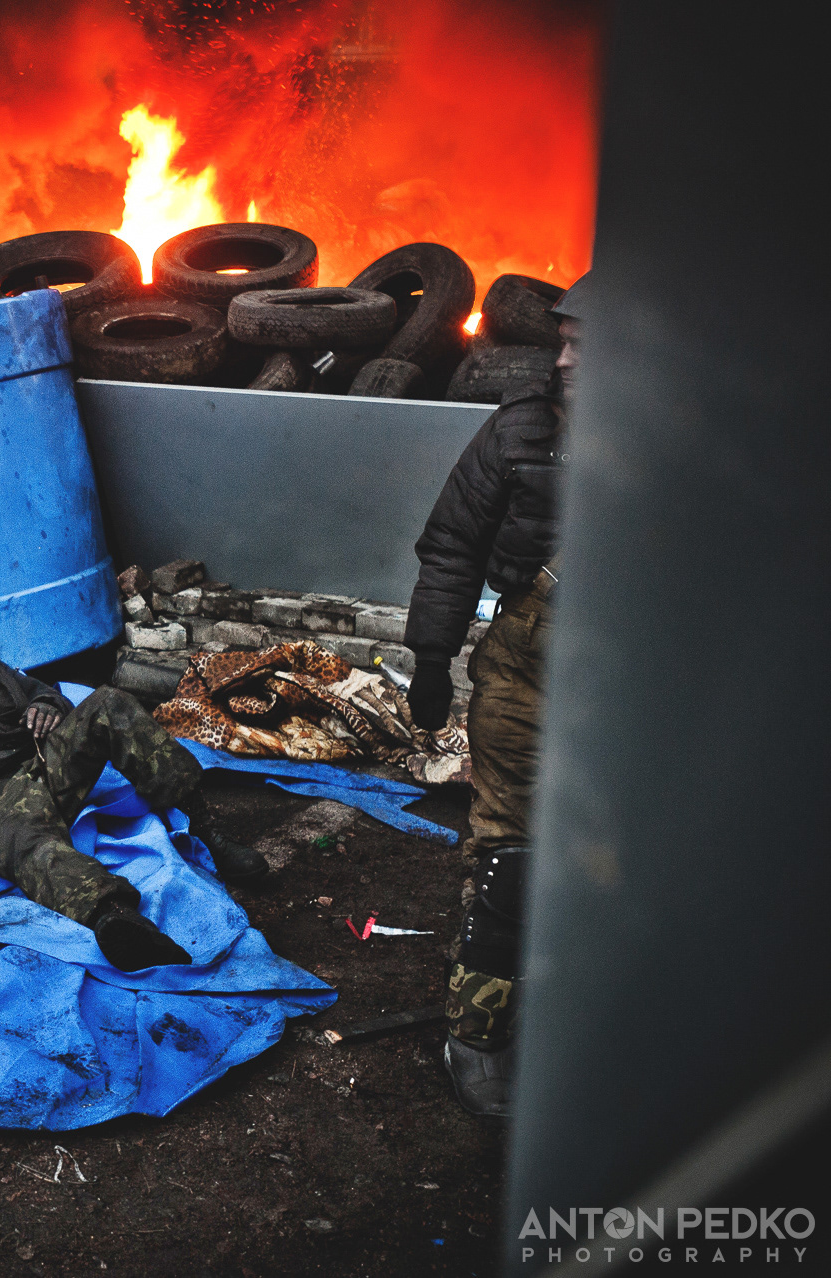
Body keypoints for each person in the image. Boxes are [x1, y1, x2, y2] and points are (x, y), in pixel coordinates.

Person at [404, 272, 590, 1117]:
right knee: (512, 854)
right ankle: (477, 1037)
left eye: (589, 348)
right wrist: (431, 659)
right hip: (521, 676)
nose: (566, 361)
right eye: (565, 342)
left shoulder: (689, 447)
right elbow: (453, 545)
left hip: (623, 686)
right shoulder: (519, 428)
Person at [0, 622, 269, 971]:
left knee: (109, 702)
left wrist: (47, 704)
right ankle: (117, 921)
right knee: (30, 846)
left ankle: (208, 832)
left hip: (43, 757)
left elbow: (34, 688)